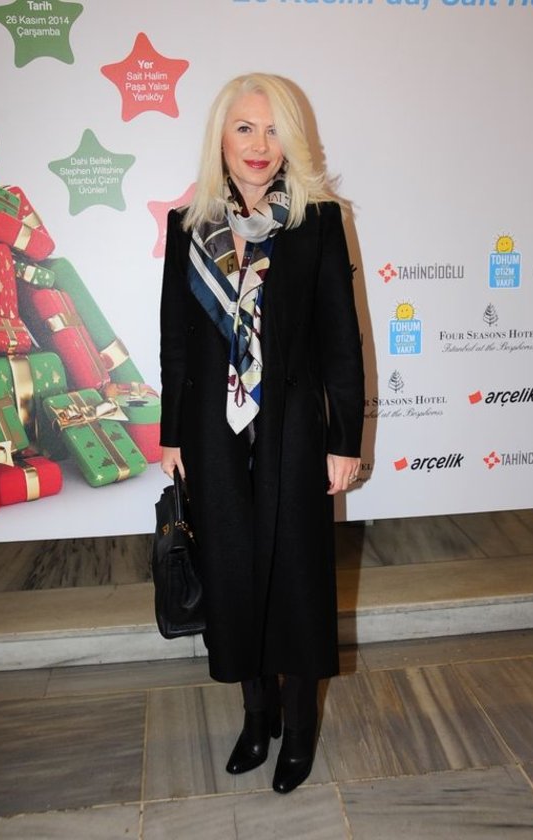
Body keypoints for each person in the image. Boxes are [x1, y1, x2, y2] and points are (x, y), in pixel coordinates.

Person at [160, 73, 364, 794]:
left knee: (298, 581)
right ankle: (258, 715)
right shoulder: (189, 225)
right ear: (220, 136)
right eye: (245, 127)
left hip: (293, 432)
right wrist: (172, 435)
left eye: (274, 129)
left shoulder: (316, 221)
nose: (259, 144)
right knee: (233, 577)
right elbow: (176, 341)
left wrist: (344, 441)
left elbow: (341, 340)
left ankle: (299, 728)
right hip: (212, 437)